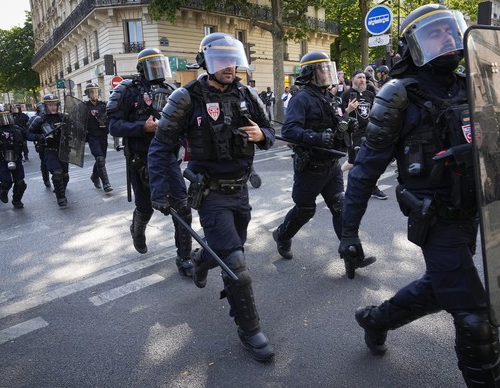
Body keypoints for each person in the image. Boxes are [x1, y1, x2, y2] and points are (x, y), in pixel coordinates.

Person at [340, 5, 500, 386]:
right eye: (435, 35)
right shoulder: (399, 96)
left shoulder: (470, 85)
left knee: (439, 288)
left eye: (450, 32)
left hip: (475, 210)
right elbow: (365, 170)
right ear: (414, 47)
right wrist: (349, 232)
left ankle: (376, 319)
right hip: (436, 218)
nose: (447, 40)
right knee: (475, 319)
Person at [148, 32, 275, 361]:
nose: (229, 66)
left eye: (232, 59)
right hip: (211, 193)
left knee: (225, 250)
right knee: (236, 265)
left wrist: (262, 135)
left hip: (241, 189)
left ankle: (200, 261)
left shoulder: (246, 94)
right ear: (206, 63)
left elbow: (271, 134)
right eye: (221, 60)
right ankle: (250, 330)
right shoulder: (185, 97)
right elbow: (162, 147)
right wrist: (161, 190)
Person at [272, 51, 375, 275]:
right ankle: (282, 235)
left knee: (341, 207)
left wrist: (348, 123)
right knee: (305, 210)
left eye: (328, 68)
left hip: (331, 165)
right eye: (322, 69)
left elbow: (337, 123)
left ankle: (353, 255)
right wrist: (314, 137)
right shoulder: (301, 98)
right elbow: (289, 130)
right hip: (310, 168)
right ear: (310, 73)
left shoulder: (330, 97)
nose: (327, 74)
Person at [106, 48, 193, 277]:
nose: (158, 71)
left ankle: (184, 257)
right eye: (152, 66)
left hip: (168, 158)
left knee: (182, 207)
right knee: (146, 207)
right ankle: (137, 228)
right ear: (141, 68)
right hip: (140, 160)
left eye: (160, 65)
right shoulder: (127, 90)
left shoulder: (172, 91)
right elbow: (114, 125)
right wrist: (141, 127)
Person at [0, 106, 41, 208]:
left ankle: (17, 201)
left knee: (20, 183)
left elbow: (28, 135)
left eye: (6, 116)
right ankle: (3, 191)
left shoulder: (16, 128)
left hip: (16, 157)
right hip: (0, 159)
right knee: (6, 181)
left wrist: (40, 137)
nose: (5, 119)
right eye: (1, 117)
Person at [339, 70, 387, 200]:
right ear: (353, 79)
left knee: (373, 160)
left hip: (369, 131)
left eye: (364, 78)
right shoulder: (346, 95)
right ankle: (337, 173)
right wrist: (349, 109)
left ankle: (374, 188)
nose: (362, 80)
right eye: (359, 77)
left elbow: (373, 111)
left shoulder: (369, 94)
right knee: (354, 161)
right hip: (354, 133)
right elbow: (340, 117)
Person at [29, 94, 71, 207]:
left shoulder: (63, 117)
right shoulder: (40, 119)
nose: (53, 107)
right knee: (57, 173)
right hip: (49, 149)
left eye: (55, 105)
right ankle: (61, 198)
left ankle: (60, 189)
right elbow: (28, 133)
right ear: (45, 106)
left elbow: (74, 130)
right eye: (50, 105)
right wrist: (39, 137)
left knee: (65, 175)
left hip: (62, 149)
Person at [84, 82, 113, 193]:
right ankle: (106, 183)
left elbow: (111, 117)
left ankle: (94, 176)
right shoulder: (84, 107)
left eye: (96, 91)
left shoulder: (103, 105)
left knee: (101, 160)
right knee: (100, 159)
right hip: (92, 137)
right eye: (91, 92)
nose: (94, 94)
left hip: (103, 136)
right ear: (88, 94)